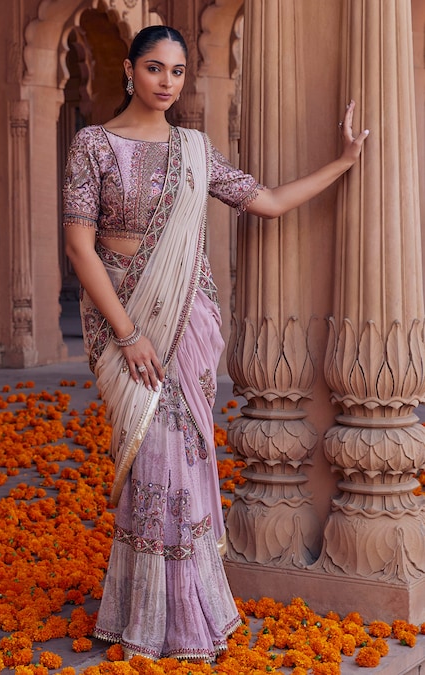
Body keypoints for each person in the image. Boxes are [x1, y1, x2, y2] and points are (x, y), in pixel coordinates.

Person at [63, 25, 369, 663]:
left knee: (185, 461)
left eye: (176, 71)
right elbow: (78, 245)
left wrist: (343, 162)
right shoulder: (92, 146)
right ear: (128, 70)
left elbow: (268, 202)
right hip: (128, 326)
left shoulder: (195, 151)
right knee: (151, 460)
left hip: (187, 322)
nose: (167, 82)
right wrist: (129, 332)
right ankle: (141, 610)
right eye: (154, 68)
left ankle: (185, 611)